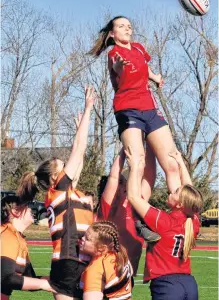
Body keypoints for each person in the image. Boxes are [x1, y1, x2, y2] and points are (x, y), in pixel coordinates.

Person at [17, 85, 96, 300]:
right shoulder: (59, 190)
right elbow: (78, 151)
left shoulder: (66, 193)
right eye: (63, 166)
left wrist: (81, 129)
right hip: (70, 260)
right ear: (55, 177)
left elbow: (79, 155)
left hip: (76, 259)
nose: (67, 166)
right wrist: (88, 109)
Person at [89, 16, 181, 194]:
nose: (127, 29)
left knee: (172, 164)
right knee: (138, 163)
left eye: (129, 26)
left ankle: (181, 214)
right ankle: (133, 213)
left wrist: (155, 77)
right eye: (122, 26)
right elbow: (116, 67)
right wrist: (118, 67)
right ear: (112, 34)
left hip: (150, 109)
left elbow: (144, 67)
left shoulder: (138, 48)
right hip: (128, 110)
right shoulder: (113, 54)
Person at [125, 147, 203, 300]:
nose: (171, 192)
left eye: (175, 192)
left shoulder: (164, 221)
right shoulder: (193, 221)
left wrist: (134, 167)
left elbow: (134, 197)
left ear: (180, 204)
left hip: (167, 285)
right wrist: (181, 163)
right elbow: (191, 192)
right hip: (189, 283)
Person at [97, 146, 160, 276]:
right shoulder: (109, 207)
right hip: (107, 270)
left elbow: (150, 177)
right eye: (121, 182)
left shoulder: (138, 204)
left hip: (128, 273)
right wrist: (126, 145)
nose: (123, 185)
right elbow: (113, 177)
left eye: (126, 182)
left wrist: (151, 146)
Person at [1, 195, 56, 299]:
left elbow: (29, 278)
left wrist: (56, 280)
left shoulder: (18, 238)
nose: (31, 208)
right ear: (15, 212)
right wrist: (43, 284)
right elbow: (6, 278)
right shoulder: (6, 234)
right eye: (26, 206)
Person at [79, 221, 133, 300]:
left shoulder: (95, 269)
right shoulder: (120, 254)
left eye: (87, 239)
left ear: (102, 248)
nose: (82, 238)